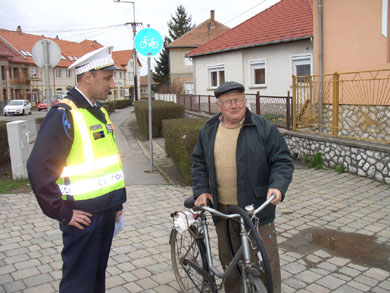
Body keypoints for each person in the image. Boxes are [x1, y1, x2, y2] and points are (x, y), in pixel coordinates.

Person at [27, 46, 127, 293]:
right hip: (82, 218)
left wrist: (115, 206)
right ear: (88, 76)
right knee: (79, 284)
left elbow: (105, 164)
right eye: (107, 78)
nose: (112, 84)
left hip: (104, 213)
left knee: (95, 280)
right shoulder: (64, 114)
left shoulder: (98, 111)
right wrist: (63, 212)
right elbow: (38, 168)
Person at [191, 81, 294, 293]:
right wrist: (201, 190)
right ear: (218, 105)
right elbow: (198, 161)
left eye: (238, 99)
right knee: (231, 265)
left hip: (257, 211)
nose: (234, 105)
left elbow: (282, 160)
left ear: (245, 101)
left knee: (267, 265)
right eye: (228, 101)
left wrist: (278, 186)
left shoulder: (262, 127)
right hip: (223, 211)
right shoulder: (209, 130)